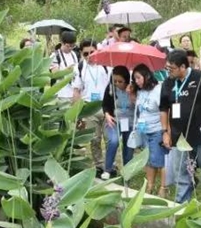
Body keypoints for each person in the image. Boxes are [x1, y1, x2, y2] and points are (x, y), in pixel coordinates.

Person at [160, 49, 201, 205]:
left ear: (183, 67)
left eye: (172, 68)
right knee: (180, 169)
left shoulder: (200, 77)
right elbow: (163, 109)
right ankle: (183, 200)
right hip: (178, 134)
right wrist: (165, 132)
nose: (169, 71)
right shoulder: (167, 83)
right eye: (167, 68)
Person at [75, 40, 114, 177]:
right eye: (86, 53)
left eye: (92, 52)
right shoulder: (80, 68)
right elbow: (76, 91)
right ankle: (99, 165)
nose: (89, 56)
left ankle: (110, 165)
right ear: (81, 53)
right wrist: (78, 113)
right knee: (95, 139)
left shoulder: (106, 65)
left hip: (106, 107)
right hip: (89, 107)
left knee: (110, 139)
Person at [130, 64, 168, 197]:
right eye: (134, 79)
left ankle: (163, 187)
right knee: (148, 159)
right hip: (144, 129)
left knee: (160, 159)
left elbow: (165, 110)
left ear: (147, 76)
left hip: (157, 129)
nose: (136, 81)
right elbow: (139, 108)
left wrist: (166, 131)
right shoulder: (140, 91)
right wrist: (131, 93)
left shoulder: (159, 90)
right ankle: (149, 186)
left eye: (138, 78)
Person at [102, 66, 136, 171]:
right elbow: (105, 104)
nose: (117, 83)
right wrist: (107, 115)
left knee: (128, 148)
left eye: (120, 81)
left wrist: (131, 94)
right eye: (115, 81)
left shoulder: (133, 88)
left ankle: (127, 172)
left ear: (126, 79)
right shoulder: (111, 88)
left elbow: (139, 105)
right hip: (114, 120)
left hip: (130, 122)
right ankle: (108, 169)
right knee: (113, 141)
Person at [50, 30, 80, 103]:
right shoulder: (55, 56)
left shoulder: (73, 54)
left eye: (73, 46)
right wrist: (67, 70)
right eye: (68, 46)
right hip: (62, 93)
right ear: (62, 43)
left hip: (74, 92)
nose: (70, 48)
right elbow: (55, 75)